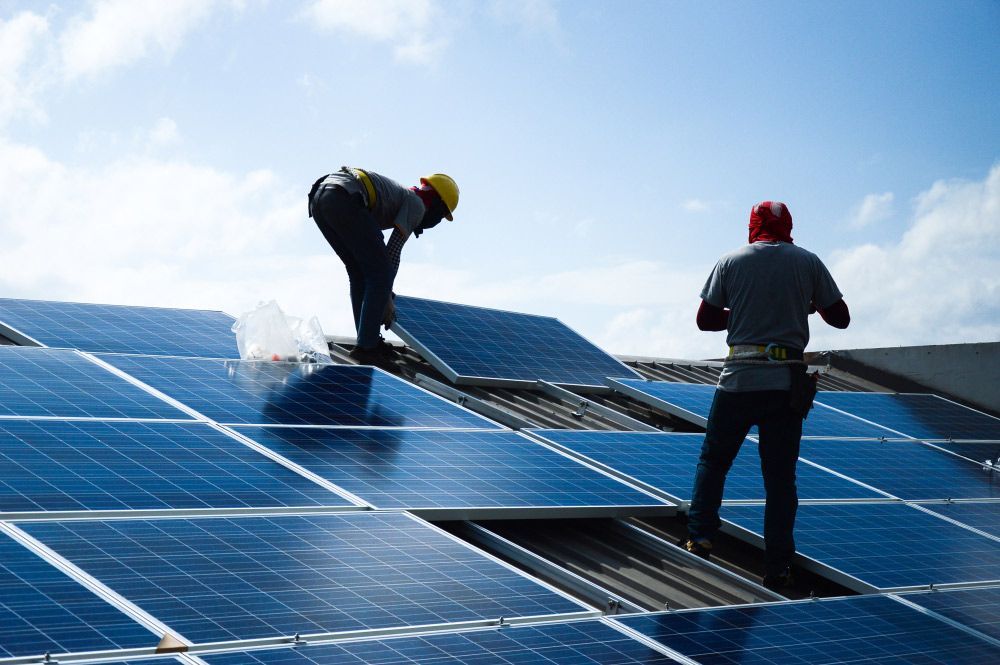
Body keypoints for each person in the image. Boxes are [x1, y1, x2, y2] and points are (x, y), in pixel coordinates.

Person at [682, 200, 850, 591]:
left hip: (738, 381)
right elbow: (840, 317)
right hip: (784, 386)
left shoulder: (731, 261)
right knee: (779, 480)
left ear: (752, 226)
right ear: (789, 226)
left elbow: (705, 320)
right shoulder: (807, 262)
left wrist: (743, 311)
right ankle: (776, 566)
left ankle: (701, 535)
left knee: (714, 461)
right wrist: (800, 307)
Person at [308, 167, 459, 365]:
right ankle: (367, 347)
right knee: (379, 274)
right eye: (441, 216)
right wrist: (386, 295)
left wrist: (383, 290)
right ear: (438, 206)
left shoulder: (402, 197)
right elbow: (392, 252)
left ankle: (366, 342)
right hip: (343, 197)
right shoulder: (417, 204)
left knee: (359, 273)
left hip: (321, 198)